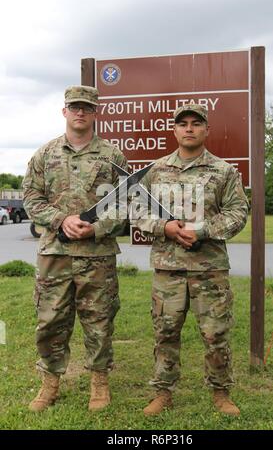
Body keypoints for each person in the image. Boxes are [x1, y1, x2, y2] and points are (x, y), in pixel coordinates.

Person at [133, 104, 249, 416]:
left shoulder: (223, 172)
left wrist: (203, 231)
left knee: (216, 333)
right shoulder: (155, 171)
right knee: (165, 331)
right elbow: (137, 211)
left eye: (196, 124)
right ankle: (163, 392)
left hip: (209, 269)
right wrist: (164, 227)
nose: (188, 128)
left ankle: (221, 392)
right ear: (174, 130)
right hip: (167, 269)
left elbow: (238, 213)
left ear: (206, 130)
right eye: (182, 123)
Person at [22, 85, 128, 412]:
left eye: (86, 107)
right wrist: (60, 219)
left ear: (96, 113)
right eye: (74, 107)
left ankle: (99, 382)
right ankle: (50, 383)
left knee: (99, 319)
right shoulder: (44, 154)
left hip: (97, 255)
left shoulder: (113, 156)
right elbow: (31, 198)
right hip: (55, 253)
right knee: (50, 319)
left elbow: (126, 202)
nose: (80, 112)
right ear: (64, 111)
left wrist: (97, 227)